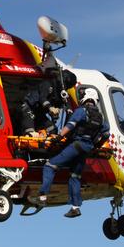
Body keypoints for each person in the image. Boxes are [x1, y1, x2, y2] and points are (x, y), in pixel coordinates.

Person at [36, 88, 109, 217]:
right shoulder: (100, 117)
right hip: (87, 148)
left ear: (85, 97)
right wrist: (96, 145)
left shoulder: (81, 111)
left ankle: (42, 197)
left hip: (76, 145)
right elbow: (106, 134)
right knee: (75, 176)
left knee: (50, 166)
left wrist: (59, 137)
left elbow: (70, 125)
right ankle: (75, 207)